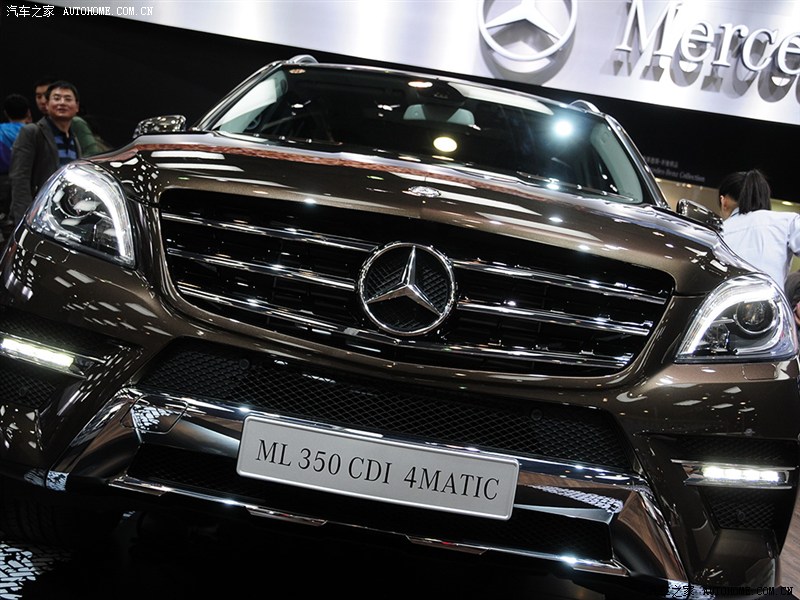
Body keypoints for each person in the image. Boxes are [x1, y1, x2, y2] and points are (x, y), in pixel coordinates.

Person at [8, 81, 82, 226]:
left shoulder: (74, 139)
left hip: (63, 218)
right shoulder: (31, 132)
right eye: (56, 98)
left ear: (77, 107)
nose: (62, 103)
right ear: (46, 105)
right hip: (37, 216)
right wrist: (25, 222)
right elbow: (20, 178)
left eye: (68, 99)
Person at [718, 169, 800, 287]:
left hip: (726, 297)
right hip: (769, 298)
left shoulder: (716, 233)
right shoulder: (788, 222)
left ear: (723, 201)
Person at [33, 76, 106, 156]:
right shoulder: (35, 130)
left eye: (67, 99)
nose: (43, 101)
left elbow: (92, 153)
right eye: (39, 96)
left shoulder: (76, 123)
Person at [0, 94, 32, 237]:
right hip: (27, 186)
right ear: (28, 112)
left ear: (5, 113)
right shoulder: (35, 132)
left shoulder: (1, 131)